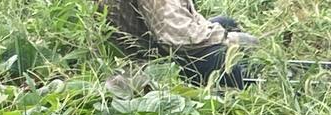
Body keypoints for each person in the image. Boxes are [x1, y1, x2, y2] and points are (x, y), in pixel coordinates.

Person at [101, 0, 259, 88]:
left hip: (150, 43)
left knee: (225, 22)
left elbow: (186, 18)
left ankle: (248, 74)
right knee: (220, 55)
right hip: (155, 63)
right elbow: (180, 37)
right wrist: (230, 38)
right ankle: (249, 85)